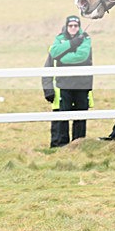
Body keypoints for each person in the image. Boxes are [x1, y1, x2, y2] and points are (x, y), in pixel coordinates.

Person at [47, 15, 93, 147]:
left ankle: (78, 144)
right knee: (63, 116)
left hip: (82, 84)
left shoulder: (86, 38)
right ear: (67, 27)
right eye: (70, 26)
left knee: (80, 116)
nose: (73, 28)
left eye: (76, 26)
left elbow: (81, 56)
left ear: (79, 27)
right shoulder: (59, 38)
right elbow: (54, 52)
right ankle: (62, 145)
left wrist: (63, 56)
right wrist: (72, 44)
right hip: (64, 84)